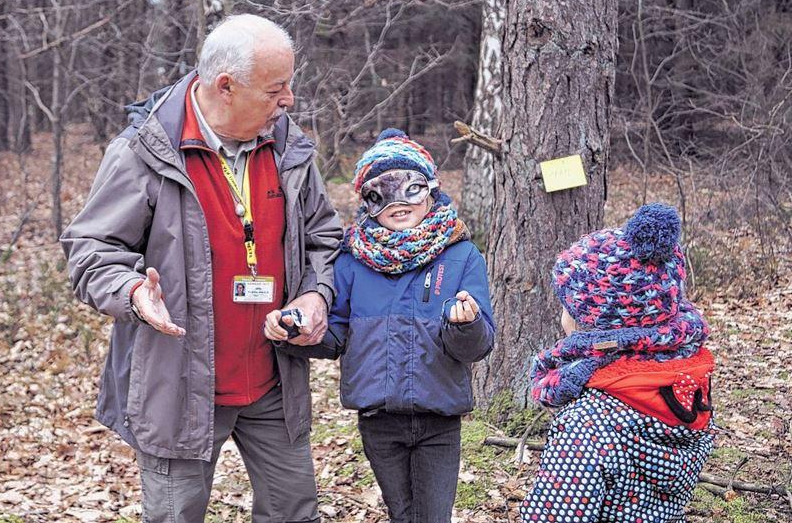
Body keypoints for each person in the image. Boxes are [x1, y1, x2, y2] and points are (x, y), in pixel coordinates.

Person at [60, 14, 342, 523]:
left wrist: (316, 295)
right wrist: (132, 292)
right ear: (226, 87)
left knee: (295, 513)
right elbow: (90, 248)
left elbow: (325, 236)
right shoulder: (144, 152)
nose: (289, 101)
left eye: (289, 86)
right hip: (180, 388)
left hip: (274, 379)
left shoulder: (287, 147)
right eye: (276, 89)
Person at [264, 129, 496, 523]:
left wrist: (466, 323)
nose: (398, 202)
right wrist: (295, 334)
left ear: (430, 189)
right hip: (378, 419)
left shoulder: (461, 256)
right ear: (367, 201)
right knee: (401, 513)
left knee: (431, 516)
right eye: (381, 191)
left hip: (438, 419)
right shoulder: (352, 261)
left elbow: (478, 345)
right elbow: (334, 334)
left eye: (411, 188)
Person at [520, 203, 715, 523]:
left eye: (569, 305)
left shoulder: (589, 423)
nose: (562, 314)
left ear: (599, 325)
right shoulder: (687, 389)